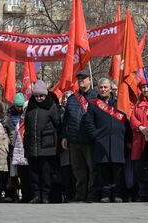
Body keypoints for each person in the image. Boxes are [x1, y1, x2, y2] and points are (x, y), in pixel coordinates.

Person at [85, 77, 127, 203]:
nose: (103, 89)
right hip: (101, 141)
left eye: (105, 87)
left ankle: (117, 193)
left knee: (117, 169)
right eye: (101, 87)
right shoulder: (93, 103)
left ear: (110, 89)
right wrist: (95, 136)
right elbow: (89, 123)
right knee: (103, 169)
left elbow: (127, 120)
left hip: (117, 140)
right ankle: (105, 194)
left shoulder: (120, 102)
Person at [61, 69, 98, 202]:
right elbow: (66, 120)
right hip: (74, 139)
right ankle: (80, 194)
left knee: (92, 168)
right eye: (79, 79)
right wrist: (64, 136)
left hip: (89, 139)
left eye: (83, 78)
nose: (81, 81)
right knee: (77, 169)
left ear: (89, 79)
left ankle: (92, 194)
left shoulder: (96, 96)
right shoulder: (72, 99)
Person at [23, 80, 61, 204]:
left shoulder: (52, 106)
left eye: (41, 95)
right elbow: (27, 125)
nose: (39, 98)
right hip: (32, 145)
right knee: (33, 173)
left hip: (47, 145)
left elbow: (58, 124)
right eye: (37, 95)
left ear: (46, 95)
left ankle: (46, 195)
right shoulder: (30, 107)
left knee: (46, 173)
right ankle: (36, 195)